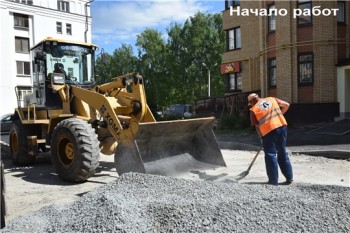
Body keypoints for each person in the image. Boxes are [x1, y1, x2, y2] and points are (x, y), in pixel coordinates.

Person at [247, 93, 293, 186]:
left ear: (252, 101)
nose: (250, 105)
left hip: (269, 131)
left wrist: (262, 139)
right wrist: (279, 115)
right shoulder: (272, 99)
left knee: (270, 154)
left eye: (250, 103)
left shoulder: (253, 110)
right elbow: (287, 105)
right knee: (282, 151)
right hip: (282, 126)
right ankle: (289, 177)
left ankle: (273, 181)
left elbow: (257, 127)